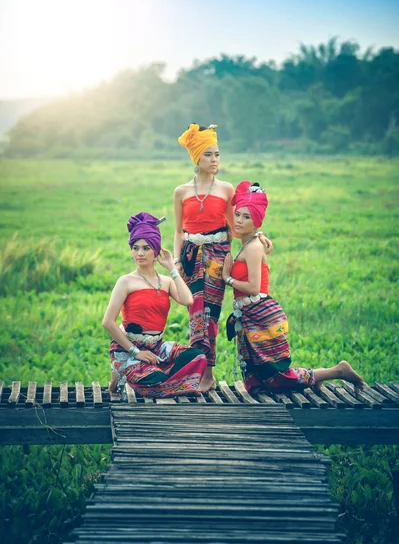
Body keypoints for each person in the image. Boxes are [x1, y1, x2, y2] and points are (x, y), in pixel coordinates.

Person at [223, 180, 364, 394]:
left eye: (247, 217)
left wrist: (227, 278)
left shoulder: (252, 248)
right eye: (238, 215)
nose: (239, 221)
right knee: (256, 382)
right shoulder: (247, 242)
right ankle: (312, 379)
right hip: (248, 315)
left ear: (257, 222)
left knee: (277, 378)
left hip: (260, 314)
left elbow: (253, 287)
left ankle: (338, 370)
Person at [174, 123, 272, 392]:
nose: (215, 160)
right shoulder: (181, 191)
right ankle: (196, 370)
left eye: (217, 154)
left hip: (218, 257)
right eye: (208, 155)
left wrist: (258, 236)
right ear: (197, 158)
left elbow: (236, 226)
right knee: (195, 316)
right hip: (191, 258)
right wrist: (178, 262)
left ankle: (208, 374)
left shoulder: (227, 189)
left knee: (211, 316)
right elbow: (178, 230)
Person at [103, 212, 207, 398]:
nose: (140, 253)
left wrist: (172, 268)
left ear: (156, 250)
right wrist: (136, 352)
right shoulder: (125, 282)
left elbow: (187, 300)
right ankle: (129, 370)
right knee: (155, 378)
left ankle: (138, 375)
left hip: (157, 348)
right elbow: (108, 322)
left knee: (198, 357)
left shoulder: (166, 281)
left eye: (146, 248)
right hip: (129, 348)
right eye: (135, 248)